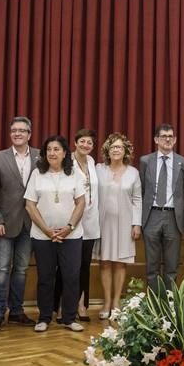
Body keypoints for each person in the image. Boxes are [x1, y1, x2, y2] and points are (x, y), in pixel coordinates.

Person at [25, 134, 87, 332]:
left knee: (71, 276)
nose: (52, 153)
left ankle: (69, 317)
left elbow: (81, 203)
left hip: (72, 236)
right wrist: (47, 230)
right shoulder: (37, 174)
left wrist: (69, 228)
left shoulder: (75, 174)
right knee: (45, 277)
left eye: (56, 149)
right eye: (49, 149)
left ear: (65, 153)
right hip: (43, 236)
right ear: (44, 153)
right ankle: (44, 317)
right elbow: (30, 205)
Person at [0, 116, 37, 329]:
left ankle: (16, 311)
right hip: (4, 224)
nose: (18, 133)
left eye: (22, 130)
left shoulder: (40, 157)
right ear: (10, 134)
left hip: (31, 224)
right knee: (1, 270)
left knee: (22, 270)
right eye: (14, 130)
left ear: (29, 134)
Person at [96, 133, 142, 317]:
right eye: (113, 147)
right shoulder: (99, 169)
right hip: (102, 222)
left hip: (125, 222)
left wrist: (136, 224)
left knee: (121, 262)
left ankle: (116, 301)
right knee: (105, 261)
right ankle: (106, 301)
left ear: (125, 151)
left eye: (120, 147)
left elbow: (137, 199)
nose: (116, 150)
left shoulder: (133, 173)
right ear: (108, 150)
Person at [140, 123, 184, 293]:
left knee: (172, 265)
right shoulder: (145, 161)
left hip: (173, 217)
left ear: (175, 140)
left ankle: (170, 303)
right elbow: (143, 189)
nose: (167, 139)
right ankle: (153, 303)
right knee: (151, 266)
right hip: (152, 215)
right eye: (163, 136)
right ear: (156, 139)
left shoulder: (183, 162)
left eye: (170, 136)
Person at [70, 129, 102, 319]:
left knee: (84, 266)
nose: (85, 145)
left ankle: (82, 305)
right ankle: (64, 305)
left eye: (89, 143)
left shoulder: (92, 162)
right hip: (72, 221)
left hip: (90, 222)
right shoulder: (68, 163)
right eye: (82, 141)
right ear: (75, 143)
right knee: (68, 266)